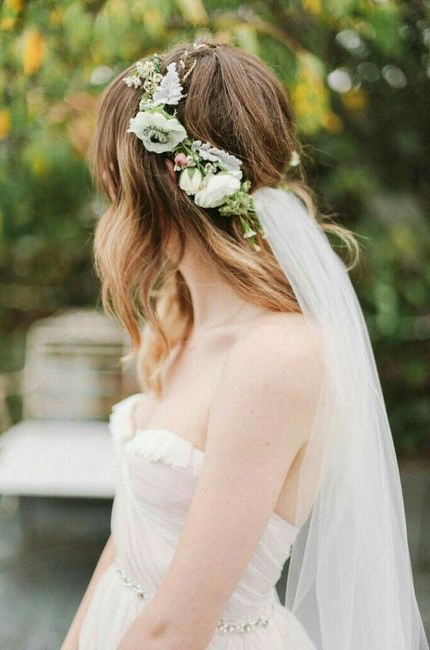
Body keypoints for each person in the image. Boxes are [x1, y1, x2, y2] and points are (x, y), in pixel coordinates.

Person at [61, 39, 428, 650]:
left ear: (159, 180)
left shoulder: (275, 357)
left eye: (115, 176)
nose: (109, 198)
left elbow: (177, 629)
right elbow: (131, 533)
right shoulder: (177, 321)